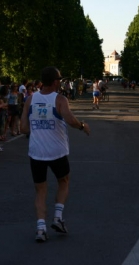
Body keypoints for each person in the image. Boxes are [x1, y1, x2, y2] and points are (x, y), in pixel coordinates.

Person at [20, 66, 90, 243]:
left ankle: (41, 228)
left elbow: (23, 128)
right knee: (64, 181)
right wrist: (82, 126)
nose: (60, 82)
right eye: (59, 79)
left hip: (36, 153)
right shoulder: (60, 99)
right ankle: (58, 217)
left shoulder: (30, 99)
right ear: (54, 81)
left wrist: (38, 127)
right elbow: (70, 119)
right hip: (57, 151)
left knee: (40, 190)